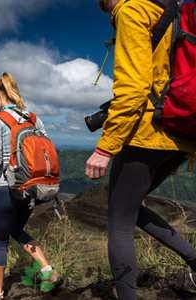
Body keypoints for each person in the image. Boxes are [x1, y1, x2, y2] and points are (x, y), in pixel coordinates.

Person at [86, 1, 196, 299]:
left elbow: (133, 88)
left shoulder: (132, 9)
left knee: (119, 223)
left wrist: (105, 148)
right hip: (182, 134)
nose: (107, 12)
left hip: (147, 133)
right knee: (131, 209)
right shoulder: (172, 10)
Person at [0, 72, 57, 300]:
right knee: (16, 230)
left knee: (0, 240)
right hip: (33, 188)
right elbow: (47, 148)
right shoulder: (33, 118)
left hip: (7, 187)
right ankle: (47, 270)